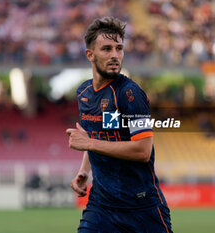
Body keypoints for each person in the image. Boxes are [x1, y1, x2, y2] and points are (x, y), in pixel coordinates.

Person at [66, 17, 173, 233]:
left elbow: (143, 150)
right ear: (90, 55)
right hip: (101, 207)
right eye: (106, 49)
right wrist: (84, 171)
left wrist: (91, 143)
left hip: (142, 208)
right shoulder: (85, 94)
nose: (115, 55)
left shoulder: (130, 94)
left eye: (119, 48)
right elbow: (99, 134)